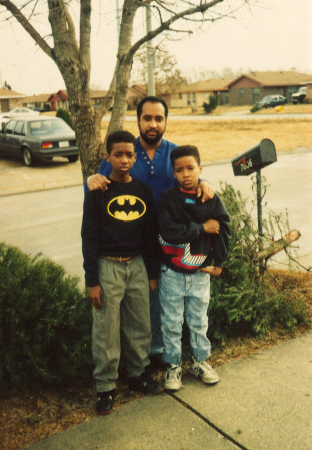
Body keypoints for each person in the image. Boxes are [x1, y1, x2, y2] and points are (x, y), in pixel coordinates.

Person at [87, 96, 215, 371]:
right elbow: (99, 183)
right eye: (147, 118)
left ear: (166, 121)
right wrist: (90, 179)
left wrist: (204, 184)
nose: (153, 124)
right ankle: (145, 355)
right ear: (138, 120)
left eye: (159, 118)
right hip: (135, 239)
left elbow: (189, 175)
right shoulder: (125, 151)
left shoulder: (174, 152)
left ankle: (163, 351)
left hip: (172, 239)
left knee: (163, 297)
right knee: (143, 299)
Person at [81, 130, 163, 415]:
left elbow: (150, 234)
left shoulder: (142, 191)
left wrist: (152, 273)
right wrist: (93, 280)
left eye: (130, 154)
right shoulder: (98, 192)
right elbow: (88, 237)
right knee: (106, 331)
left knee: (140, 324)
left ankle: (138, 375)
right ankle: (105, 387)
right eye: (118, 154)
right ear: (108, 157)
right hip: (108, 266)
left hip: (137, 264)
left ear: (135, 156)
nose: (124, 160)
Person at [157, 145, 230, 391]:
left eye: (190, 168)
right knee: (171, 322)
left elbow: (223, 230)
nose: (185, 174)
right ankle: (173, 366)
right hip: (172, 273)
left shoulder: (210, 199)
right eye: (179, 170)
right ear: (173, 173)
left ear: (200, 168)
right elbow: (169, 231)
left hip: (200, 273)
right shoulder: (168, 200)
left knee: (199, 320)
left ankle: (200, 361)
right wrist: (200, 228)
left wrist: (218, 262)